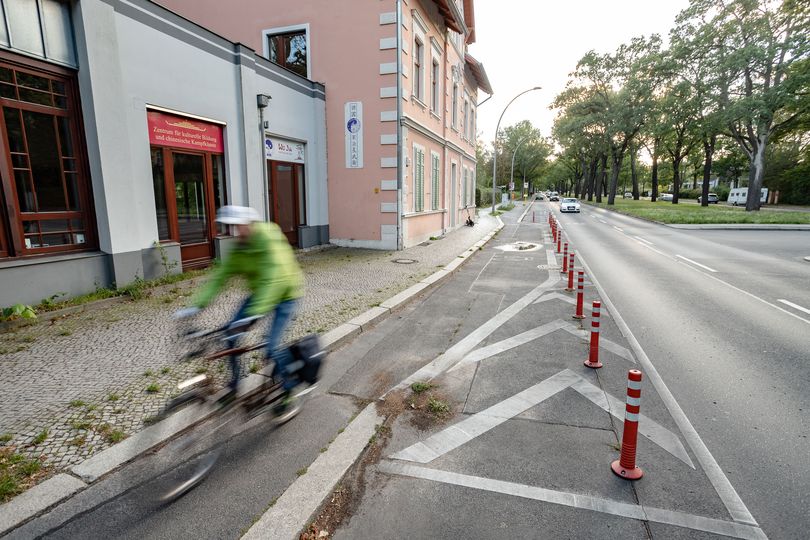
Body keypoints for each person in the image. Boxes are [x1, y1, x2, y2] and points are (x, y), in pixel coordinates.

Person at [176, 205, 304, 411]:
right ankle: (234, 386)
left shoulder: (269, 242)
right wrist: (195, 306)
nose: (233, 232)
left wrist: (253, 314)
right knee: (229, 336)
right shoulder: (240, 249)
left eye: (237, 227)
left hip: (286, 295)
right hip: (259, 295)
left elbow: (274, 280)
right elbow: (219, 278)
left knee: (271, 346)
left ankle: (289, 393)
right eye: (229, 228)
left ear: (250, 224)